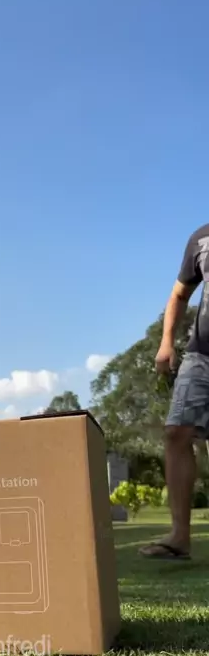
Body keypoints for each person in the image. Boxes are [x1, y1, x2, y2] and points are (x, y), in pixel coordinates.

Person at [140, 223, 209, 561]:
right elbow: (179, 294)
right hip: (201, 354)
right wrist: (166, 342)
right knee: (176, 432)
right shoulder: (202, 238)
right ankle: (180, 537)